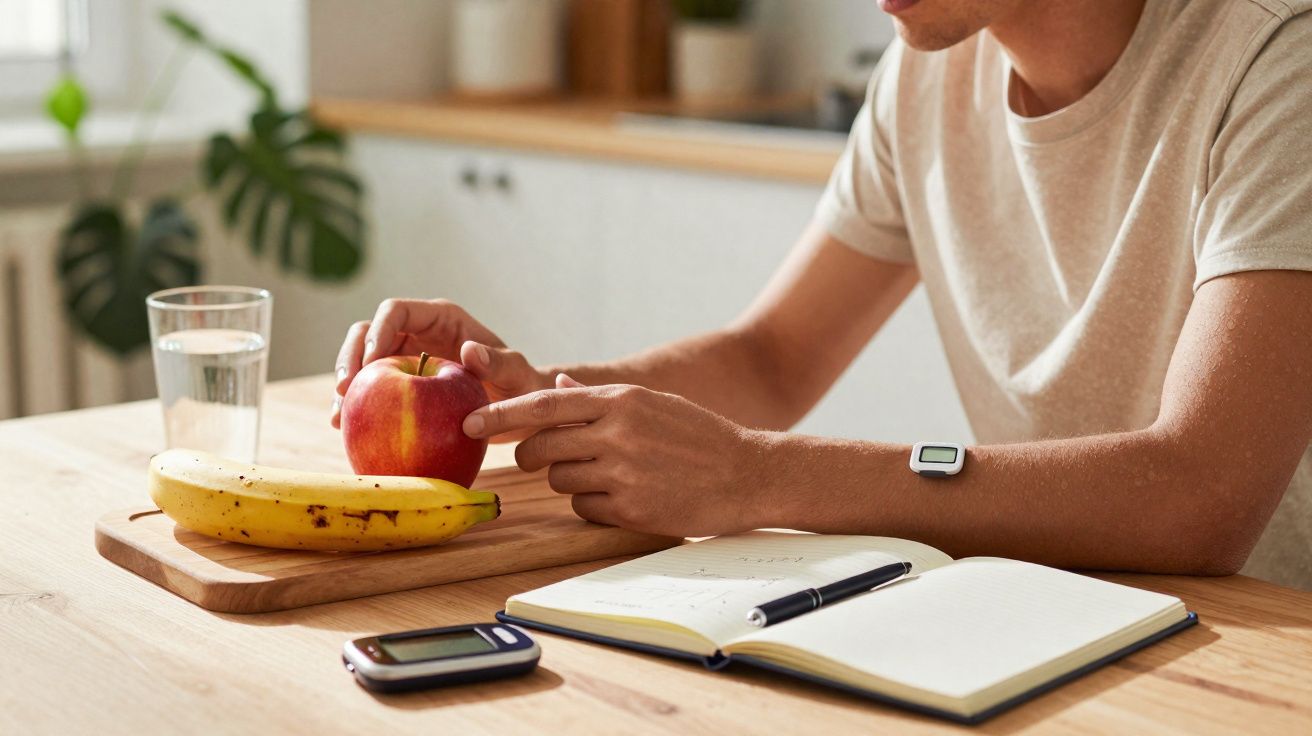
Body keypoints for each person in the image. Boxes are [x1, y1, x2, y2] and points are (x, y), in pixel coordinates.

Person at [332, 0, 1312, 589]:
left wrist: (758, 475)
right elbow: (771, 357)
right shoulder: (926, 74)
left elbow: (1200, 495)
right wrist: (536, 391)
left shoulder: (1279, 57)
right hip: (1063, 611)